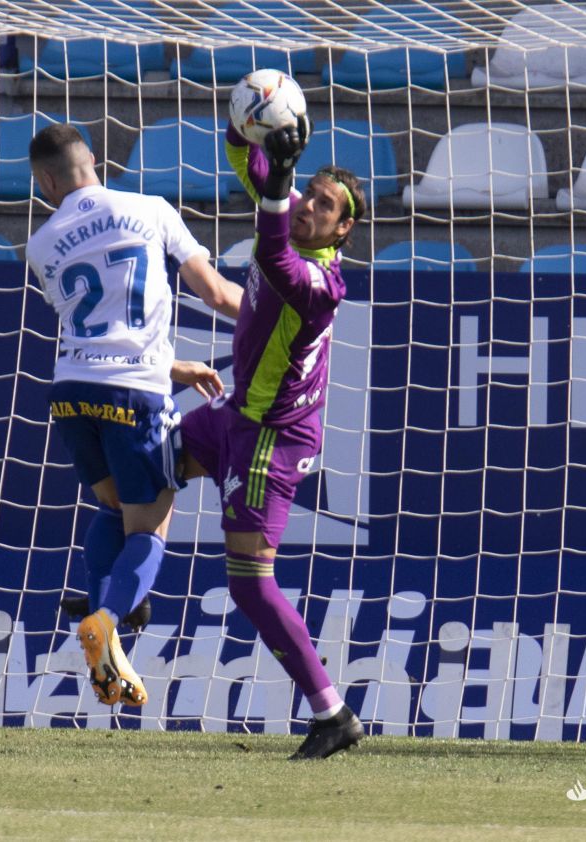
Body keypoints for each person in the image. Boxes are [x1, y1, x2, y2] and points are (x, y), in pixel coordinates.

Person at [26, 123, 242, 708]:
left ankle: (106, 643)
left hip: (70, 392)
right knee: (149, 526)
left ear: (46, 181)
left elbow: (99, 336)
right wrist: (279, 322)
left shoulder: (42, 245)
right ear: (93, 161)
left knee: (113, 505)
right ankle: (106, 620)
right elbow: (218, 295)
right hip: (135, 398)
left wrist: (176, 365)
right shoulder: (150, 207)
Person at [178, 114, 367, 759]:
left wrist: (278, 184)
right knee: (147, 460)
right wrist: (245, 118)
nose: (310, 206)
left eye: (326, 206)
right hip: (234, 415)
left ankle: (332, 713)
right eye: (309, 194)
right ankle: (121, 598)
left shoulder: (321, 284)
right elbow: (243, 159)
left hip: (273, 440)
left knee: (251, 584)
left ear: (344, 229)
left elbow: (272, 253)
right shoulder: (286, 217)